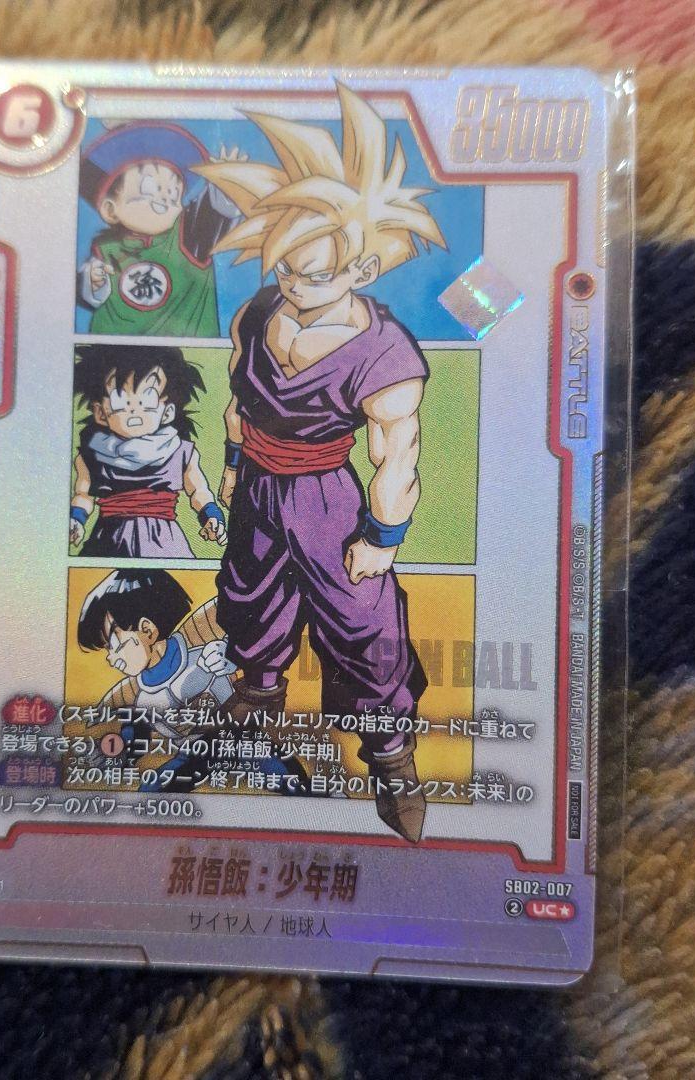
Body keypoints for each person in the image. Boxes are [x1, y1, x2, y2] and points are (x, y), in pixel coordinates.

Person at [193, 84, 447, 841]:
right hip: (259, 486)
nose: (295, 288)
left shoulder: (385, 355)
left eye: (315, 275)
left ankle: (392, 759)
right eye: (285, 272)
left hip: (328, 497)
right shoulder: (257, 314)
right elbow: (239, 401)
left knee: (362, 621)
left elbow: (396, 456)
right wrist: (233, 467)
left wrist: (382, 538)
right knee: (249, 596)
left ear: (362, 268)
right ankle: (258, 693)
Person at [76, 571, 306, 793]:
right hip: (195, 754)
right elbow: (135, 733)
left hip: (238, 737)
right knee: (152, 788)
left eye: (114, 646)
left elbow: (254, 620)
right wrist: (118, 751)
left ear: (147, 630)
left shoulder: (199, 645)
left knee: (294, 782)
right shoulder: (138, 695)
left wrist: (234, 654)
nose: (111, 658)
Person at [77, 121, 246, 336]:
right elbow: (87, 295)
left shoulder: (187, 237)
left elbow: (212, 213)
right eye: (151, 189)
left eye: (174, 193)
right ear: (110, 210)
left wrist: (227, 188)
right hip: (112, 349)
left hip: (184, 350)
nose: (165, 199)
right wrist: (93, 282)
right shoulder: (104, 249)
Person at [69, 344, 226, 557]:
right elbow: (83, 494)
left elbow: (198, 491)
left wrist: (212, 516)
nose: (134, 408)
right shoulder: (91, 455)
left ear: (168, 411)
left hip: (165, 544)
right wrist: (76, 520)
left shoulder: (181, 452)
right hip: (108, 541)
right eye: (120, 399)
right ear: (100, 412)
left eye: (147, 398)